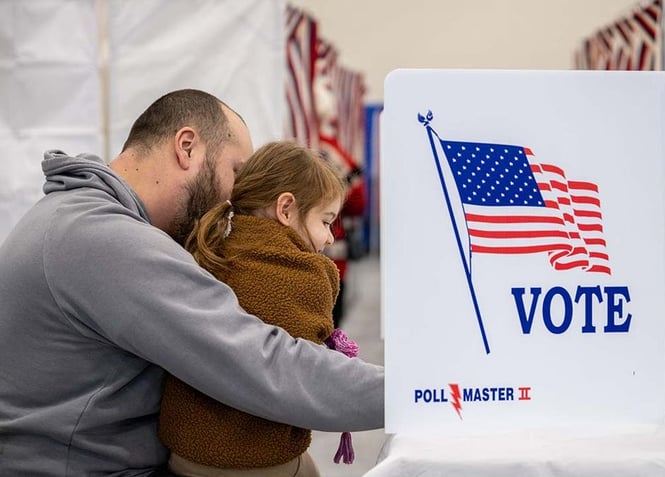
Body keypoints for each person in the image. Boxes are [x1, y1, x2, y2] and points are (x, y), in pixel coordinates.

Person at [0, 89, 384, 476]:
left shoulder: (70, 216)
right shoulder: (104, 239)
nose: (235, 195)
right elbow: (263, 364)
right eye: (235, 171)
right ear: (187, 148)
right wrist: (414, 394)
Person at [158, 140, 360, 476]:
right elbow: (306, 380)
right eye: (326, 222)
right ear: (285, 209)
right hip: (252, 458)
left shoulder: (209, 251)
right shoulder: (304, 277)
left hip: (184, 451)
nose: (328, 238)